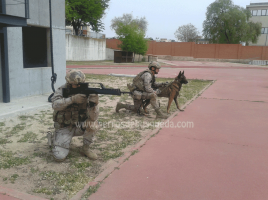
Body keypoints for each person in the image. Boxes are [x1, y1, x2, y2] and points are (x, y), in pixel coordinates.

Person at [49, 69, 99, 162]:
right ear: (68, 83)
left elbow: (93, 118)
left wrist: (93, 105)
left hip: (78, 126)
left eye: (80, 84)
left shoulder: (88, 92)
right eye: (74, 84)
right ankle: (54, 138)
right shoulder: (61, 90)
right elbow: (55, 105)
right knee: (59, 157)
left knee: (93, 124)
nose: (77, 86)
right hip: (64, 127)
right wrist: (72, 99)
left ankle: (85, 149)